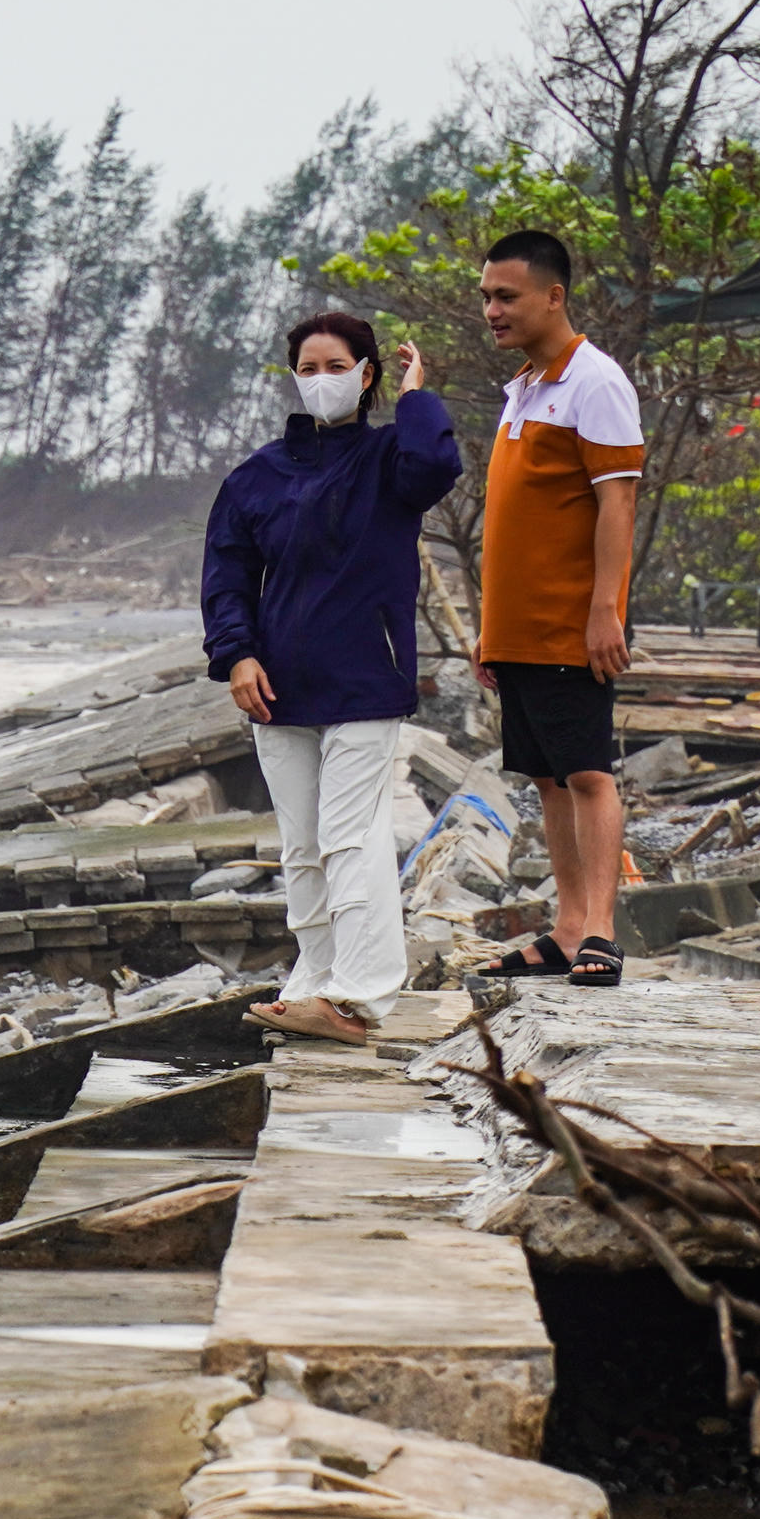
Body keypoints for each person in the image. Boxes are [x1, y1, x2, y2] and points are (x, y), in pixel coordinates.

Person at [199, 310, 462, 1045]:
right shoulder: (256, 477)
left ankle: (361, 994)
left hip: (364, 679)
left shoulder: (389, 461)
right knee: (302, 843)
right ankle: (315, 978)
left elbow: (437, 467)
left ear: (367, 373)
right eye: (306, 369)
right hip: (276, 684)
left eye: (334, 367)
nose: (320, 381)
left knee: (351, 835)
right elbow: (226, 574)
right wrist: (236, 654)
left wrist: (417, 400)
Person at [466, 227, 642, 988]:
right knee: (544, 777)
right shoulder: (523, 389)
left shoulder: (594, 382)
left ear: (553, 295)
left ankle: (601, 929)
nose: (492, 311)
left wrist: (605, 609)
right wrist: (488, 629)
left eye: (506, 296)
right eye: (486, 298)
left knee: (587, 774)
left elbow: (617, 504)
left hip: (572, 623)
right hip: (517, 628)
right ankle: (567, 928)